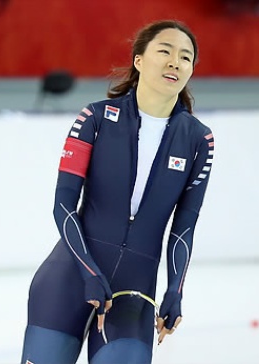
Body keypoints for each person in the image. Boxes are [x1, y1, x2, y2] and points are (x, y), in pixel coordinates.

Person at [21, 20, 214, 363]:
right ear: (139, 60)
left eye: (185, 57)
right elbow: (63, 206)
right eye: (164, 51)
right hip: (68, 279)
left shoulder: (199, 140)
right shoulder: (94, 119)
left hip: (133, 294)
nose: (174, 62)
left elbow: (184, 226)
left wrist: (174, 289)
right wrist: (89, 272)